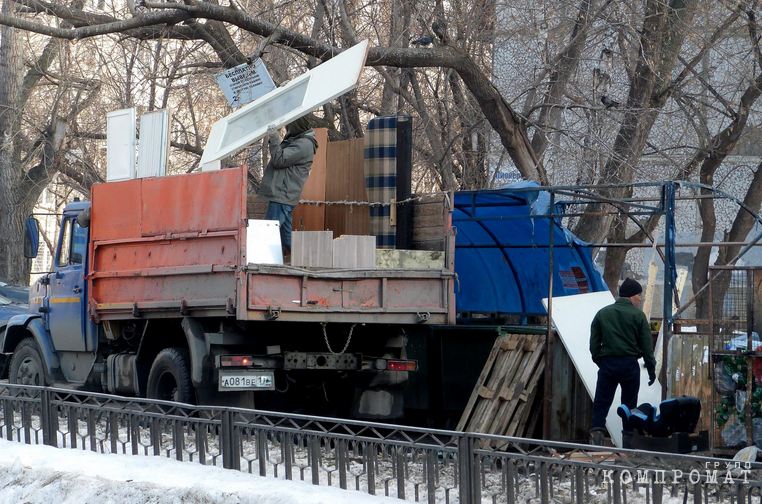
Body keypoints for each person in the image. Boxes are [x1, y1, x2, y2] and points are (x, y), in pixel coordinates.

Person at [589, 277, 656, 448]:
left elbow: (594, 345)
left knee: (601, 403)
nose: (640, 299)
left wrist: (601, 362)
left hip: (608, 364)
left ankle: (596, 442)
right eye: (639, 295)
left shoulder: (602, 314)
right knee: (629, 406)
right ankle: (628, 445)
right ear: (631, 296)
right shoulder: (638, 316)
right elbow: (647, 347)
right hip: (629, 366)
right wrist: (651, 368)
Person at [259, 116, 318, 262]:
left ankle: (261, 262)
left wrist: (274, 139)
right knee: (286, 237)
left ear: (296, 127)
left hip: (283, 195)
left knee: (268, 231)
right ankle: (304, 263)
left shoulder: (303, 144)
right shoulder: (298, 140)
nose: (287, 129)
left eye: (289, 126)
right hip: (285, 195)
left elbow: (279, 160)